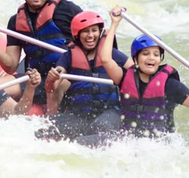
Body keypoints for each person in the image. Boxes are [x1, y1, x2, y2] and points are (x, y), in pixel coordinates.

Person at [0, 0, 86, 107]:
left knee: (57, 85)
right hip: (35, 79)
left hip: (66, 76)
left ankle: (54, 121)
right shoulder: (15, 21)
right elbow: (10, 66)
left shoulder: (68, 10)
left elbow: (91, 40)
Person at [99, 6, 189, 137]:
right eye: (145, 53)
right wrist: (114, 23)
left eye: (156, 54)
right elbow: (105, 59)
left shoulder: (170, 85)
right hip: (129, 142)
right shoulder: (124, 77)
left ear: (160, 59)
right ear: (136, 59)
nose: (151, 58)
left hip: (159, 144)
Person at [42, 11, 130, 140]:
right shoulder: (68, 57)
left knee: (101, 127)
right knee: (46, 130)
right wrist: (52, 78)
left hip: (109, 112)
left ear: (99, 32)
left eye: (94, 30)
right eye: (85, 31)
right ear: (77, 35)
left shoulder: (112, 54)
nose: (90, 35)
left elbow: (135, 70)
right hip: (80, 114)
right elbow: (54, 84)